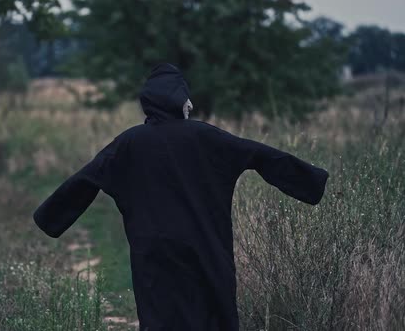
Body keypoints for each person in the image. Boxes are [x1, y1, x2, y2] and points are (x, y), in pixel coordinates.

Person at [33, 63, 329, 331]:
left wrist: (50, 217)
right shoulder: (206, 137)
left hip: (154, 255)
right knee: (212, 317)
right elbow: (261, 155)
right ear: (178, 99)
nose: (191, 104)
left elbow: (86, 178)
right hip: (206, 251)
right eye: (187, 97)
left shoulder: (129, 143)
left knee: (160, 319)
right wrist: (310, 182)